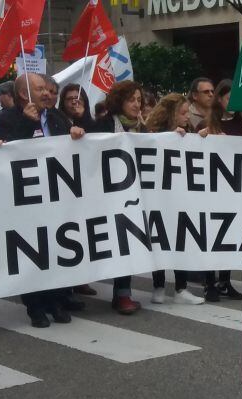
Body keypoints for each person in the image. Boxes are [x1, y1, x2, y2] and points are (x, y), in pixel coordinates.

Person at [0, 73, 86, 327]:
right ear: (24, 94)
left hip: (55, 198)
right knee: (33, 254)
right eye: (41, 89)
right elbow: (1, 154)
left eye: (48, 89)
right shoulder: (5, 119)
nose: (48, 93)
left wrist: (75, 132)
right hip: (25, 200)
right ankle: (35, 307)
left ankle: (56, 300)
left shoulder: (56, 117)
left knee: (56, 250)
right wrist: (25, 123)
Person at [89, 80, 147, 314]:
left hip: (134, 196)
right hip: (106, 196)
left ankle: (123, 293)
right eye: (131, 99)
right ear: (119, 102)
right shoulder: (103, 125)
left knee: (128, 242)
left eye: (139, 100)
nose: (136, 104)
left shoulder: (143, 128)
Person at [143, 92, 206, 305]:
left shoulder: (187, 135)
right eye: (183, 113)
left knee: (181, 238)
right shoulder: (152, 133)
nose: (187, 117)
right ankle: (158, 285)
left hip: (180, 197)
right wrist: (168, 137)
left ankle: (181, 288)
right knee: (158, 238)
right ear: (171, 114)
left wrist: (202, 139)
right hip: (157, 197)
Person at [197, 79, 242, 302]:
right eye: (229, 98)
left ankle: (225, 280)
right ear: (219, 99)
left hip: (233, 188)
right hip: (212, 189)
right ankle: (209, 282)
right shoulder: (206, 125)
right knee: (212, 234)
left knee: (230, 233)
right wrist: (202, 138)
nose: (233, 103)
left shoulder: (240, 123)